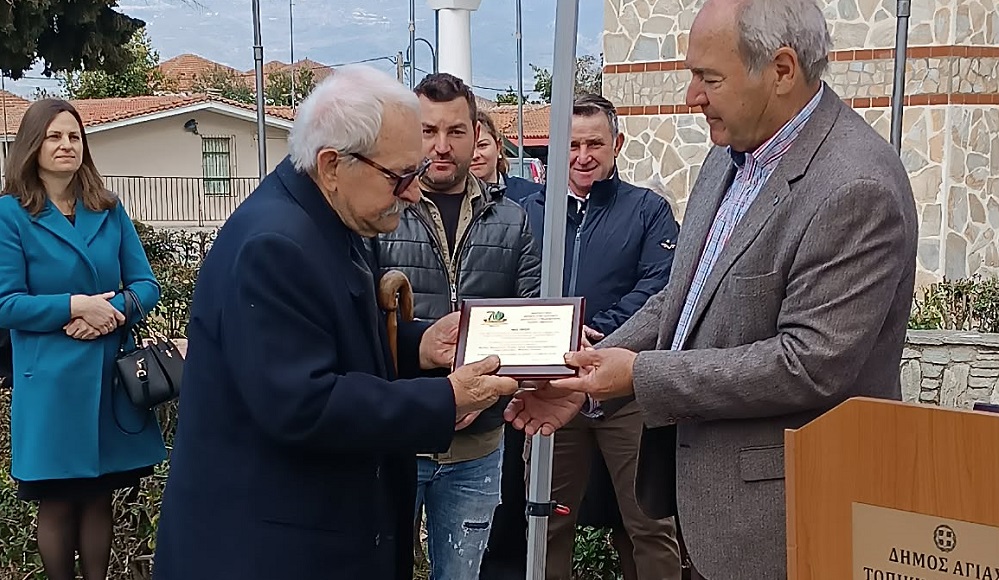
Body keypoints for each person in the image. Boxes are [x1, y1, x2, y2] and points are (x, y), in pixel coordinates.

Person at [505, 0, 919, 578]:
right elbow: (682, 297)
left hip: (786, 525)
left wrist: (639, 375)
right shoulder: (729, 155)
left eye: (710, 77)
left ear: (781, 70)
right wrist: (586, 376)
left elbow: (808, 363)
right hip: (710, 517)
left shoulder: (856, 186)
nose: (691, 97)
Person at [151, 65, 519, 580]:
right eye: (400, 177)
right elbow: (304, 403)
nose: (414, 194)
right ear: (331, 165)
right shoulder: (273, 245)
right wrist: (445, 398)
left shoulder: (329, 215)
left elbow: (334, 337)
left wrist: (418, 346)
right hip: (271, 549)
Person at [373, 72, 541, 580]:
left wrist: (480, 397)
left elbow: (528, 319)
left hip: (479, 447)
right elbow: (363, 323)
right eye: (428, 131)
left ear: (476, 134)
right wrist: (438, 395)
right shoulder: (380, 215)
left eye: (455, 131)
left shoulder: (512, 220)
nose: (442, 146)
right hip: (396, 439)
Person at [516, 94, 682, 580]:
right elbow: (520, 286)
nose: (583, 156)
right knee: (546, 520)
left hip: (627, 393)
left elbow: (660, 286)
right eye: (572, 145)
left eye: (594, 144)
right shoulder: (529, 213)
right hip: (552, 388)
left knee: (650, 524)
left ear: (617, 144)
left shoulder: (648, 210)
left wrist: (599, 335)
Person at [0, 99, 165, 580]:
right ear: (33, 145)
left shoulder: (108, 209)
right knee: (56, 501)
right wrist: (74, 306)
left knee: (98, 497)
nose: (66, 145)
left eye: (74, 136)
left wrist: (108, 314)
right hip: (49, 385)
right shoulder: (10, 215)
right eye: (54, 136)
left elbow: (146, 285)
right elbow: (6, 303)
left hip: (107, 380)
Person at [470, 110, 543, 204]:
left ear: (498, 147)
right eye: (467, 148)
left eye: (482, 145)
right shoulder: (452, 204)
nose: (475, 155)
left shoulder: (534, 197)